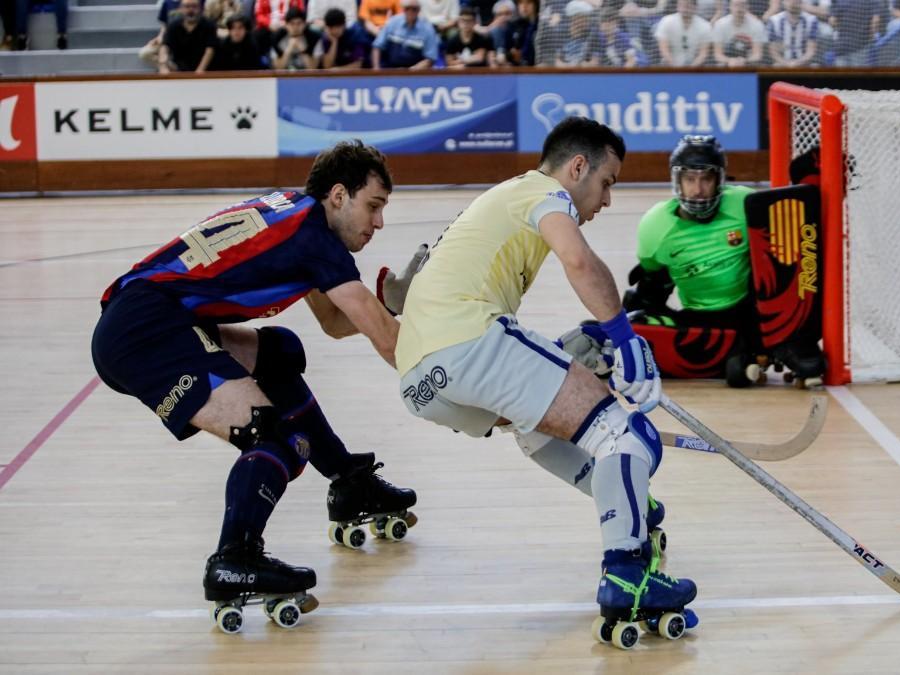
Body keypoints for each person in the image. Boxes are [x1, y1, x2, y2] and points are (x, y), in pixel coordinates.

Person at [90, 141, 417, 626]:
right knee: (275, 439)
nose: (379, 223)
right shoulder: (315, 240)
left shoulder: (296, 215)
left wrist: (391, 306)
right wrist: (451, 375)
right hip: (147, 330)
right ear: (339, 195)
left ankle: (350, 485)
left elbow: (333, 322)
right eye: (374, 206)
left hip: (152, 316)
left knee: (280, 353)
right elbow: (390, 344)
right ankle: (235, 560)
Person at [393, 117, 697, 639]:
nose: (605, 201)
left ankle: (629, 508)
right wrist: (623, 338)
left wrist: (579, 349)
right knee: (626, 436)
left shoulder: (501, 200)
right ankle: (626, 574)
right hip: (467, 339)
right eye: (606, 182)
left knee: (536, 429)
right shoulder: (542, 192)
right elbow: (578, 262)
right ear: (576, 167)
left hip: (422, 381)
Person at [622, 135, 823, 381]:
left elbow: (793, 241)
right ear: (677, 181)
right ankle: (745, 354)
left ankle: (786, 343)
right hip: (698, 318)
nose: (697, 190)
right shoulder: (655, 226)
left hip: (751, 313)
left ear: (720, 180)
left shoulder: (746, 204)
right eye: (690, 180)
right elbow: (653, 282)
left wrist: (812, 180)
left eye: (706, 179)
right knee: (634, 312)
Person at [372, 0, 440, 69]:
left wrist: (408, 72)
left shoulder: (427, 29)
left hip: (414, 73)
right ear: (403, 9)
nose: (410, 12)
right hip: (389, 69)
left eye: (414, 9)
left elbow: (430, 58)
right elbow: (377, 46)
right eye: (407, 8)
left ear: (419, 10)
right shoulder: (393, 22)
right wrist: (376, 68)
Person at [159, 0, 219, 73]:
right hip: (179, 69)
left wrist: (199, 71)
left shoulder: (209, 25)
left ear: (200, 8)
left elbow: (210, 50)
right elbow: (165, 46)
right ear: (180, 8)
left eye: (194, 6)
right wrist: (163, 66)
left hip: (206, 70)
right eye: (187, 6)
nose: (190, 10)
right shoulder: (173, 26)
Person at [654, 0, 713, 66]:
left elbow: (703, 54)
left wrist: (691, 69)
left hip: (695, 65)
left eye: (688, 5)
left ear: (695, 7)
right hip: (669, 64)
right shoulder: (666, 21)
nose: (684, 8)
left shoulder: (705, 26)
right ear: (677, 6)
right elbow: (664, 50)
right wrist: (674, 67)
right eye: (682, 5)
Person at [712, 0, 767, 67]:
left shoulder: (757, 24)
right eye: (736, 5)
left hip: (749, 61)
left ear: (747, 7)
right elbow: (718, 55)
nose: (739, 9)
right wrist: (730, 60)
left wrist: (745, 61)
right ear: (730, 7)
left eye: (742, 5)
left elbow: (757, 54)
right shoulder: (720, 24)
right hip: (727, 61)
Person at [766, 0, 818, 67]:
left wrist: (797, 63)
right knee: (776, 67)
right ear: (783, 2)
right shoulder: (774, 21)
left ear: (801, 2)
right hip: (782, 63)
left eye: (796, 1)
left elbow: (810, 51)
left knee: (815, 67)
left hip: (804, 63)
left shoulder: (811, 20)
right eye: (789, 1)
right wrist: (786, 63)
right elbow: (773, 52)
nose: (793, 3)